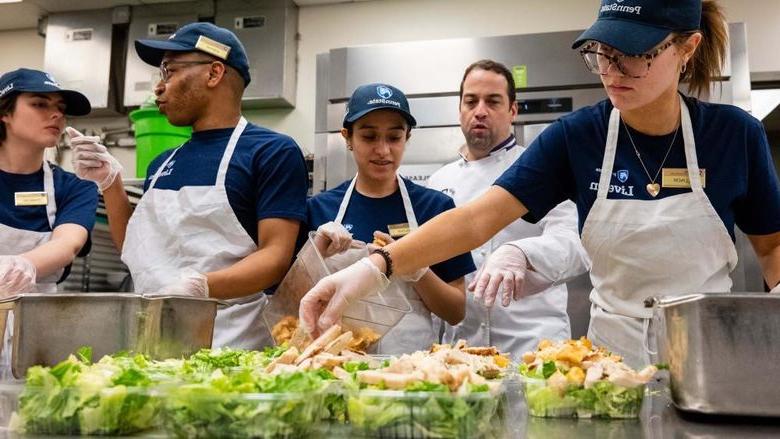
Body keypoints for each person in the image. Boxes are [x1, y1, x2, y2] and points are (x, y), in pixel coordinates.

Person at [300, 0, 780, 368]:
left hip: (706, 354)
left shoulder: (734, 135)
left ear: (687, 48)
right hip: (610, 361)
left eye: (634, 55)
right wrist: (376, 267)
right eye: (603, 54)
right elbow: (474, 219)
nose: (612, 71)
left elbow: (772, 246)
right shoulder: (577, 136)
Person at [69, 23, 309, 349]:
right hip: (157, 341)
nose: (159, 87)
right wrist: (110, 182)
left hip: (233, 347)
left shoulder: (271, 152)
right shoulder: (163, 163)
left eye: (170, 70)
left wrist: (200, 286)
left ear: (213, 73)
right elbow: (138, 248)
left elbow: (275, 257)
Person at [427, 59, 590, 358]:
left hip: (532, 346)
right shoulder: (438, 182)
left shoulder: (543, 171)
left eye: (493, 101)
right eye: (471, 101)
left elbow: (575, 243)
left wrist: (523, 253)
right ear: (460, 109)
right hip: (461, 351)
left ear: (513, 111)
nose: (480, 111)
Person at [301, 83, 475, 353]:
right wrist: (316, 254)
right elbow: (293, 304)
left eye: (394, 138)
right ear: (347, 137)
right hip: (335, 365)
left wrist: (415, 268)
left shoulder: (435, 208)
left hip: (410, 371)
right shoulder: (320, 209)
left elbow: (455, 311)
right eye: (369, 137)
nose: (383, 150)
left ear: (407, 137)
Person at [0, 68, 97, 371]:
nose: (56, 115)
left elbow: (67, 244)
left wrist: (21, 266)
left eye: (61, 109)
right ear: (5, 113)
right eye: (41, 104)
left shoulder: (75, 188)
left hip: (38, 341)